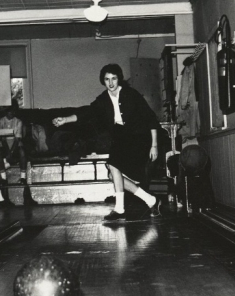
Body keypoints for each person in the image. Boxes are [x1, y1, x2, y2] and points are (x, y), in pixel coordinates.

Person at [53, 64, 161, 221]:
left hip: (139, 137)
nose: (111, 83)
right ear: (103, 81)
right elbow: (87, 113)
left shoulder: (131, 94)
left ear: (119, 79)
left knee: (113, 165)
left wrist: (154, 145)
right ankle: (151, 200)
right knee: (112, 174)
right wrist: (65, 120)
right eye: (107, 79)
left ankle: (119, 208)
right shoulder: (103, 99)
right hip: (121, 137)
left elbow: (151, 119)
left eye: (114, 79)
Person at [0, 101, 28, 184]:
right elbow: (2, 138)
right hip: (5, 145)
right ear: (6, 111)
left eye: (13, 111)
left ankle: (23, 178)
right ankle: (3, 178)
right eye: (10, 111)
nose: (12, 113)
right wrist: (7, 152)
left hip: (15, 145)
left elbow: (17, 139)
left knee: (22, 151)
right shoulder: (2, 121)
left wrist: (11, 152)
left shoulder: (18, 121)